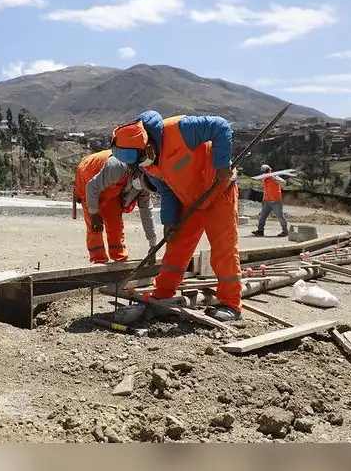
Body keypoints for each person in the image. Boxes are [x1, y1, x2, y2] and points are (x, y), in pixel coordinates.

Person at [111, 110, 242, 322]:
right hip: (189, 201)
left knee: (223, 250)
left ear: (148, 144)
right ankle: (161, 297)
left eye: (140, 157)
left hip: (219, 192)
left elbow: (220, 126)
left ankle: (231, 305)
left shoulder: (180, 129)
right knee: (175, 251)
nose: (141, 163)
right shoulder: (149, 164)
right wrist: (169, 220)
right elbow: (167, 190)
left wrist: (221, 166)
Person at [73, 150, 160, 264]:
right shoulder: (117, 166)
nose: (141, 189)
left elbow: (146, 214)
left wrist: (153, 245)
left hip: (112, 187)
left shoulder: (145, 187)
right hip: (89, 175)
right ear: (139, 172)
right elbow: (92, 187)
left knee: (115, 224)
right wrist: (94, 213)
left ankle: (119, 259)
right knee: (95, 227)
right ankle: (98, 260)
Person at [253, 163, 288, 237]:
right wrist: (263, 200)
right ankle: (260, 231)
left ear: (268, 171)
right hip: (267, 201)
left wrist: (275, 178)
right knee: (262, 216)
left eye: (265, 171)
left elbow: (284, 183)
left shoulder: (275, 177)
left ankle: (285, 231)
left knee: (280, 216)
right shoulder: (264, 179)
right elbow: (266, 190)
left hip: (276, 201)